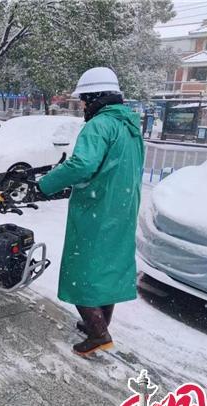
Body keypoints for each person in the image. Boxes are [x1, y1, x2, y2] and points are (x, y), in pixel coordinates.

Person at [37, 67, 144, 356]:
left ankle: (98, 335)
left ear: (97, 97)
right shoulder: (130, 126)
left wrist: (45, 185)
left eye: (85, 99)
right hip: (122, 206)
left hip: (97, 207)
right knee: (106, 269)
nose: (84, 105)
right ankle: (99, 325)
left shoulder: (99, 125)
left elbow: (82, 165)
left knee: (81, 271)